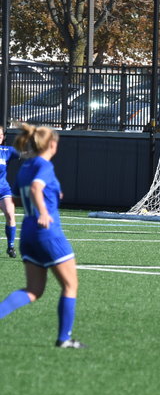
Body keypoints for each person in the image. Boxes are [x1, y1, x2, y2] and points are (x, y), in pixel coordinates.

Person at [0, 123, 85, 348]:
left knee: (33, 290)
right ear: (52, 144)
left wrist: (52, 195)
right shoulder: (43, 164)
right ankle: (64, 339)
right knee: (70, 286)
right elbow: (36, 188)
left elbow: (17, 198)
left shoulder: (26, 166)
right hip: (47, 233)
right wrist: (45, 212)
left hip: (27, 234)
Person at [0, 126, 20, 257]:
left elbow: (25, 153)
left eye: (0, 135)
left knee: (10, 214)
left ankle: (11, 247)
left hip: (3, 189)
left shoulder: (6, 150)